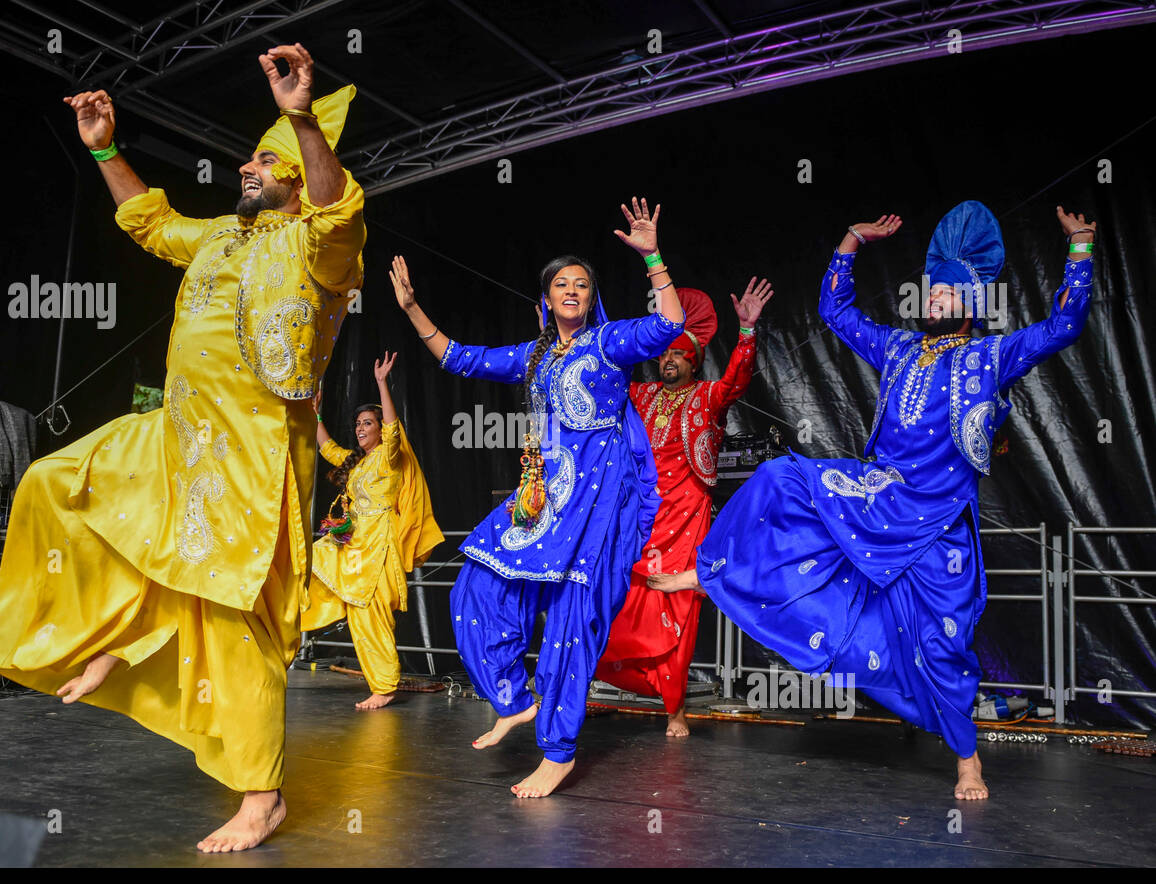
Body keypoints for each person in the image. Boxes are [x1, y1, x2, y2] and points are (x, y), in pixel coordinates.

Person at [0, 43, 366, 852]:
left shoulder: (323, 251)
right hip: (176, 435)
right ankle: (118, 633)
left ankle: (262, 795)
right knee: (54, 482)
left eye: (266, 159)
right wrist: (107, 149)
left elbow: (338, 211)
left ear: (295, 173)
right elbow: (150, 223)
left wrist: (299, 113)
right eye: (252, 155)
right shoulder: (220, 236)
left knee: (235, 621)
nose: (245, 166)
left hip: (251, 461)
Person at [651, 203, 1096, 800]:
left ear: (971, 304)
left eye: (946, 293)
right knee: (781, 478)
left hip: (937, 523)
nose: (934, 298)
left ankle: (967, 761)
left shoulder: (991, 358)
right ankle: (713, 573)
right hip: (878, 496)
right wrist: (850, 240)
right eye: (931, 290)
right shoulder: (899, 349)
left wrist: (1081, 250)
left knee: (942, 643)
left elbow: (1065, 325)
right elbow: (835, 310)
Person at [389, 198, 686, 797]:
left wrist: (652, 255)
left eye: (581, 283)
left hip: (599, 502)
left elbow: (669, 325)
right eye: (561, 284)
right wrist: (414, 308)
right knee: (476, 581)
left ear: (590, 296)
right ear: (546, 299)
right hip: (544, 498)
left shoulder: (610, 344)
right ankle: (512, 698)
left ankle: (558, 751)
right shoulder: (533, 356)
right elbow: (459, 358)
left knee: (573, 620)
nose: (571, 290)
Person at [594, 282, 768, 736]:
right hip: (642, 515)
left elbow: (738, 380)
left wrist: (746, 330)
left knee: (676, 604)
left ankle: (675, 710)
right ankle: (617, 676)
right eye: (664, 355)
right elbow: (605, 373)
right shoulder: (643, 395)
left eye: (678, 355)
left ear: (693, 359)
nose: (668, 361)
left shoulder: (709, 395)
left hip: (687, 512)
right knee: (630, 599)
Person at [300, 351, 444, 709]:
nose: (361, 428)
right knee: (310, 561)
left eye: (367, 423)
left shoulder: (389, 456)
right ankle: (287, 629)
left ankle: (383, 686)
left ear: (380, 428)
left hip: (379, 544)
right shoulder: (359, 462)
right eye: (358, 424)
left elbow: (394, 429)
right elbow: (328, 448)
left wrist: (382, 383)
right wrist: (315, 413)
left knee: (370, 614)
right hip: (352, 542)